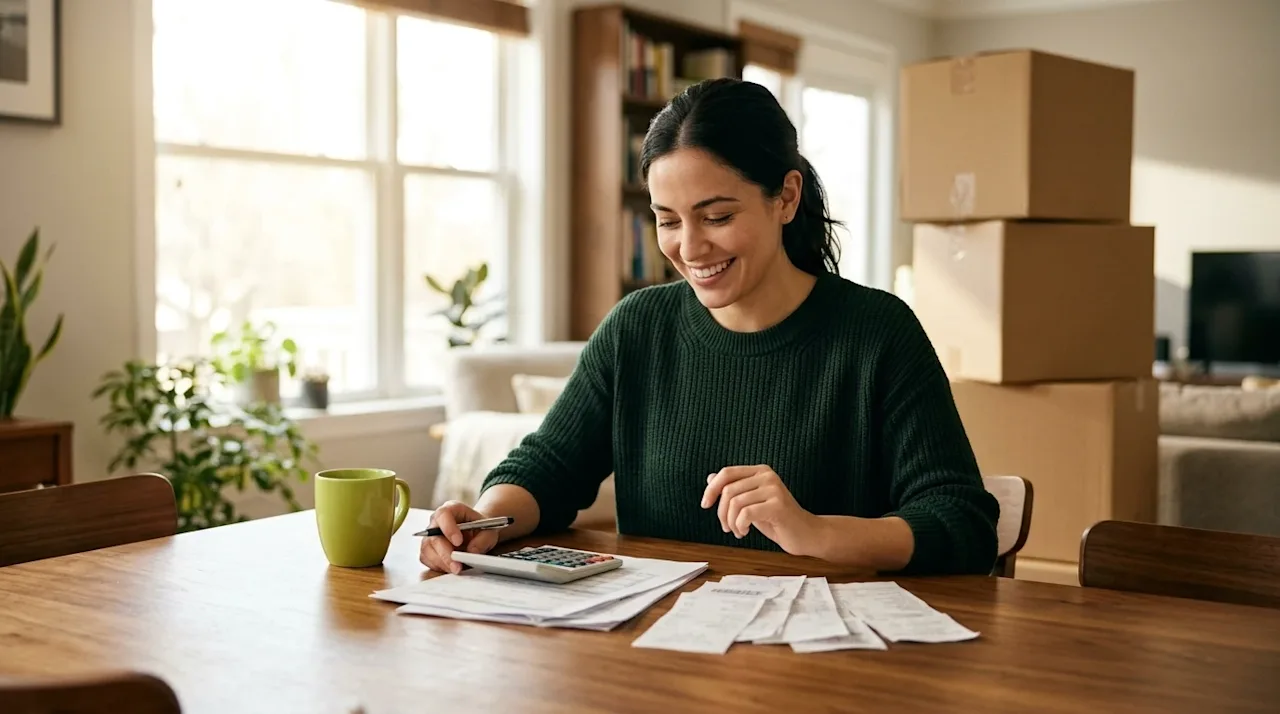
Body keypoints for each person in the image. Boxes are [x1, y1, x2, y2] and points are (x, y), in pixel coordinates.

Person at [421, 77, 999, 576]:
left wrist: (815, 533)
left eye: (717, 216)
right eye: (667, 221)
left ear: (786, 197)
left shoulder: (878, 333)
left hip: (822, 668)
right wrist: (486, 517)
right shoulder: (637, 329)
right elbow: (549, 467)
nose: (690, 248)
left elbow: (962, 520)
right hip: (660, 651)